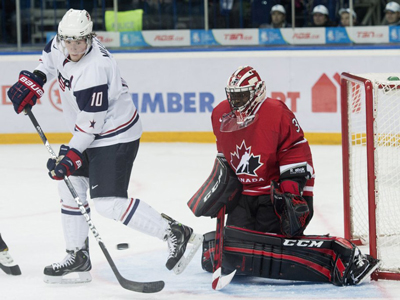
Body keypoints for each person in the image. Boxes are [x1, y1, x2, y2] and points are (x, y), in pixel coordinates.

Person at [7, 9, 202, 284]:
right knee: (70, 184)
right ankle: (78, 257)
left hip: (115, 134)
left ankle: (174, 232)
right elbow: (48, 60)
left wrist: (71, 155)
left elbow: (91, 124)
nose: (74, 48)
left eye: (80, 42)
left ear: (91, 38)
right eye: (69, 41)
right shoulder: (60, 43)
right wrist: (36, 79)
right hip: (91, 131)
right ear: (62, 37)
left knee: (107, 204)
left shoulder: (94, 69)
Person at [194, 65, 380, 286]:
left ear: (257, 92)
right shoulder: (220, 114)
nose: (237, 102)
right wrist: (221, 189)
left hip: (274, 194)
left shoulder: (276, 112)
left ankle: (341, 258)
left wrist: (291, 196)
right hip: (244, 196)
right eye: (233, 96)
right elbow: (224, 158)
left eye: (242, 95)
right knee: (238, 243)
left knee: (269, 244)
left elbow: (295, 152)